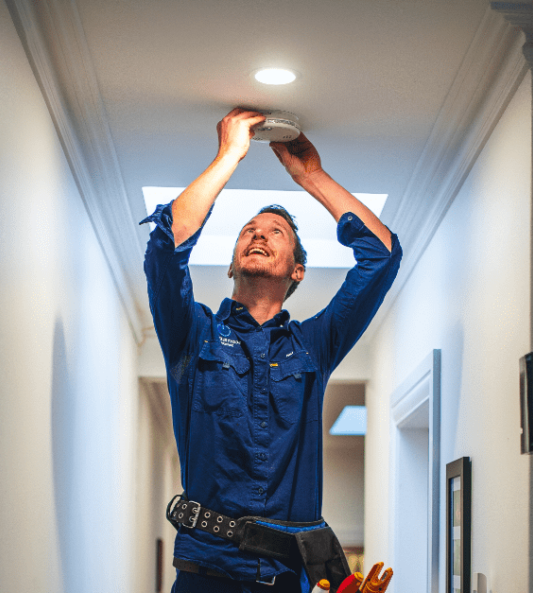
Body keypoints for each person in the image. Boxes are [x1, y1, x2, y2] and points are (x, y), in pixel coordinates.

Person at [141, 108, 402, 593]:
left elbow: (382, 255)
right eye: (248, 230)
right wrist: (228, 156)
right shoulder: (192, 334)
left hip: (291, 580)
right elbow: (165, 249)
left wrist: (313, 175)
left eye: (275, 232)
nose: (258, 233)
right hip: (205, 578)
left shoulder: (313, 346)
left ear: (297, 270)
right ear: (231, 264)